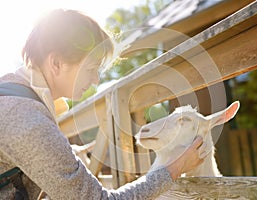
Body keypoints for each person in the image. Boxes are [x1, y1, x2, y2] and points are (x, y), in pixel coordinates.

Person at [0, 9, 206, 199]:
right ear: (56, 64)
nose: (95, 81)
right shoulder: (27, 120)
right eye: (91, 68)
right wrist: (175, 168)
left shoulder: (13, 96)